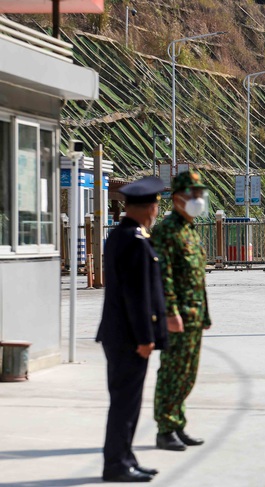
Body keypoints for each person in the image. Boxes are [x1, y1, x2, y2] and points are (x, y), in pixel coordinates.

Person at [96, 176, 168, 482]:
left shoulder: (122, 235)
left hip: (120, 335)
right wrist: (144, 337)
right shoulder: (135, 241)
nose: (155, 212)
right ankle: (116, 464)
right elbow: (137, 296)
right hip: (129, 337)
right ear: (148, 207)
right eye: (154, 207)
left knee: (127, 401)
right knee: (125, 403)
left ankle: (125, 457)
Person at [151, 169, 212, 451]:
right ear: (177, 198)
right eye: (193, 194)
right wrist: (170, 312)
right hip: (177, 316)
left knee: (188, 373)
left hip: (194, 315)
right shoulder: (166, 231)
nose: (198, 198)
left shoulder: (190, 230)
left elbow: (198, 277)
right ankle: (165, 429)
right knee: (172, 371)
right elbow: (164, 277)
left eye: (200, 194)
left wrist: (206, 315)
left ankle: (178, 423)